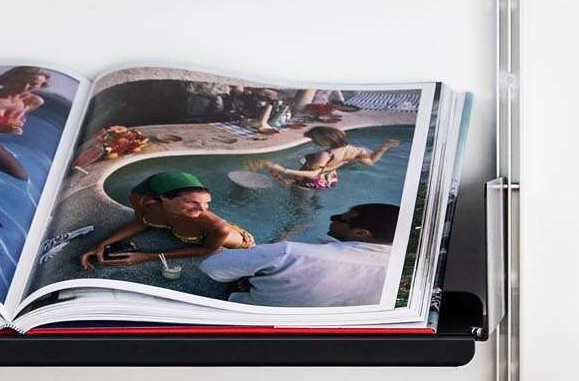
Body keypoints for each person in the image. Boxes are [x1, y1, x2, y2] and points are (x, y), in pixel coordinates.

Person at [193, 202, 399, 310]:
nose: (333, 218)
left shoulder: (291, 253)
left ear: (360, 233)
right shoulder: (403, 273)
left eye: (340, 218)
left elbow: (212, 267)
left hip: (257, 315)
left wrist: (258, 268)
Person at [79, 167, 257, 273]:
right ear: (163, 199)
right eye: (192, 203)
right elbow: (143, 221)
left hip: (240, 245)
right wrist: (104, 243)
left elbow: (206, 249)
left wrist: (147, 257)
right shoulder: (147, 203)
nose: (203, 210)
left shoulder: (216, 226)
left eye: (207, 203)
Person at [256, 126, 388, 193]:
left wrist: (284, 169)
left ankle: (287, 234)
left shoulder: (326, 154)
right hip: (328, 179)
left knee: (298, 211)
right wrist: (382, 149)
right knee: (313, 203)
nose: (314, 142)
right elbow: (370, 162)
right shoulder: (354, 149)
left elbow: (314, 174)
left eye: (314, 139)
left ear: (325, 140)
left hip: (311, 183)